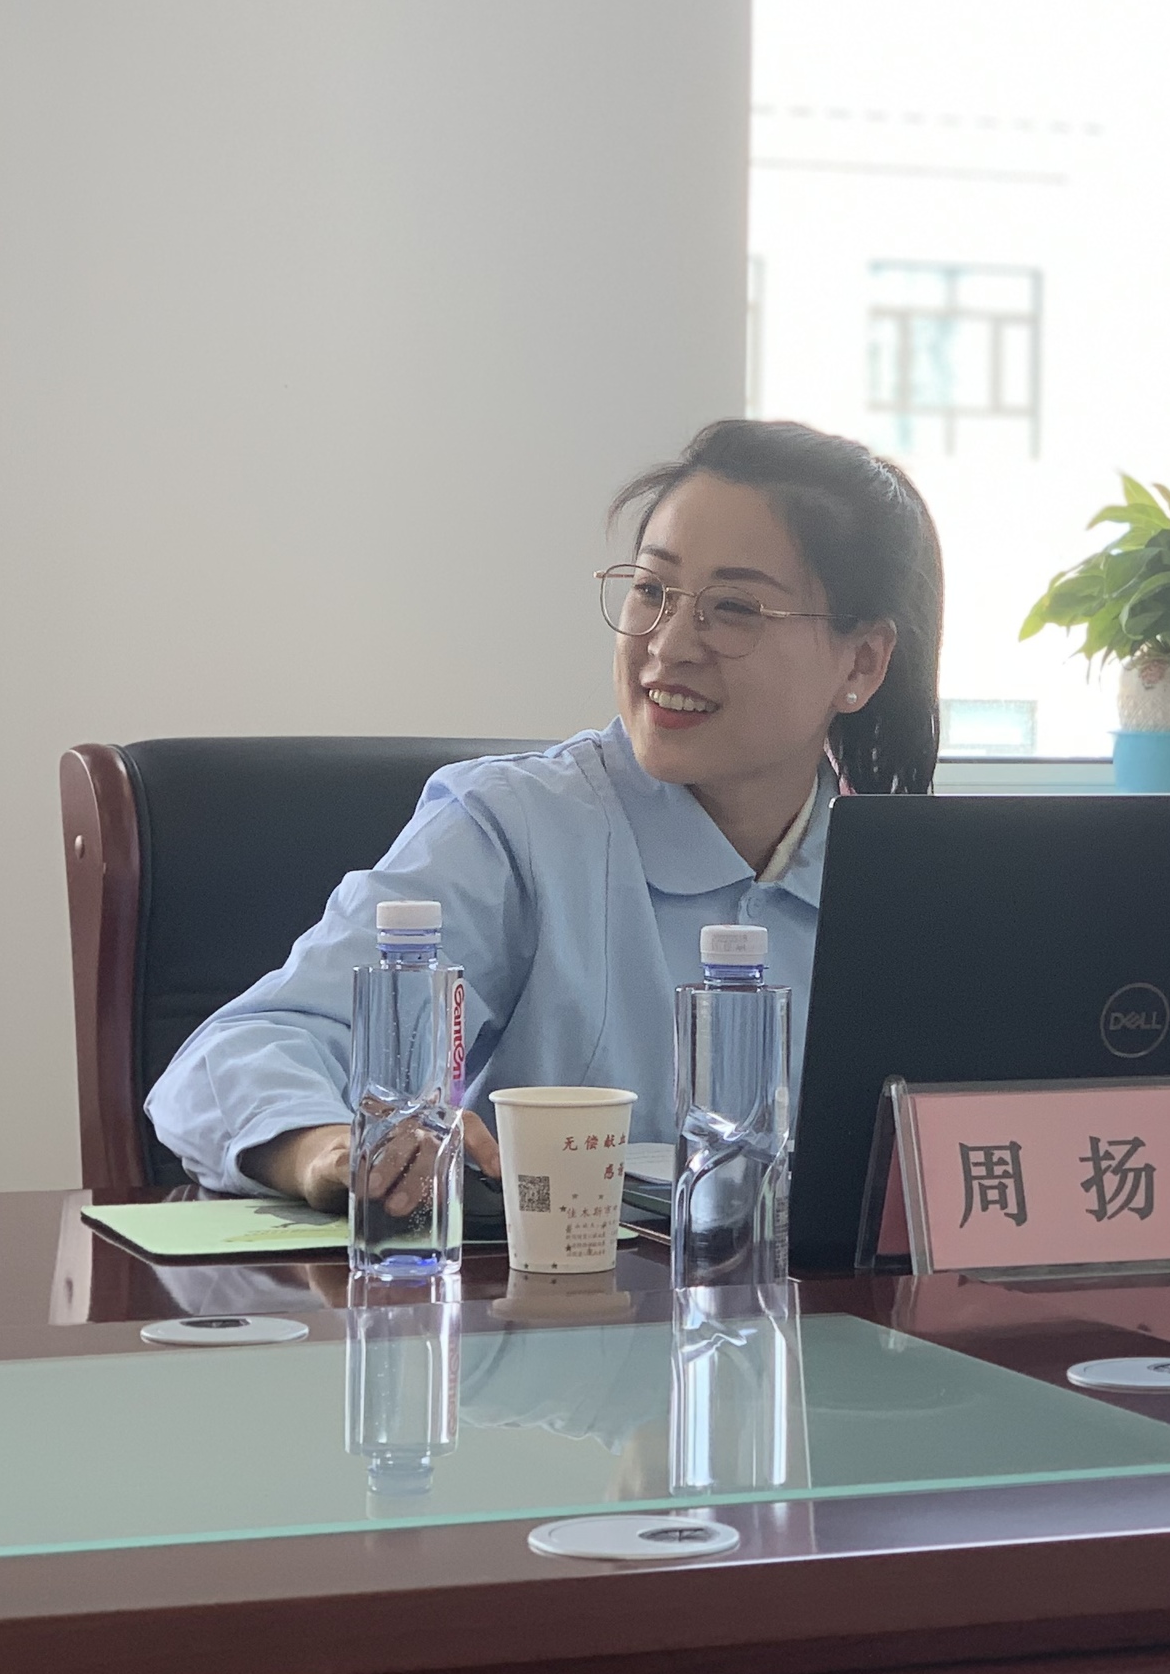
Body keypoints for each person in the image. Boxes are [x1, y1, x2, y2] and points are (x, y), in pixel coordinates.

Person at [145, 417, 944, 1216]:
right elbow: (239, 1052)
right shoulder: (516, 829)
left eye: (733, 607)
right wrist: (328, 1145)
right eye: (651, 590)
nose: (667, 645)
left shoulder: (909, 887)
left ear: (862, 661)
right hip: (547, 1293)